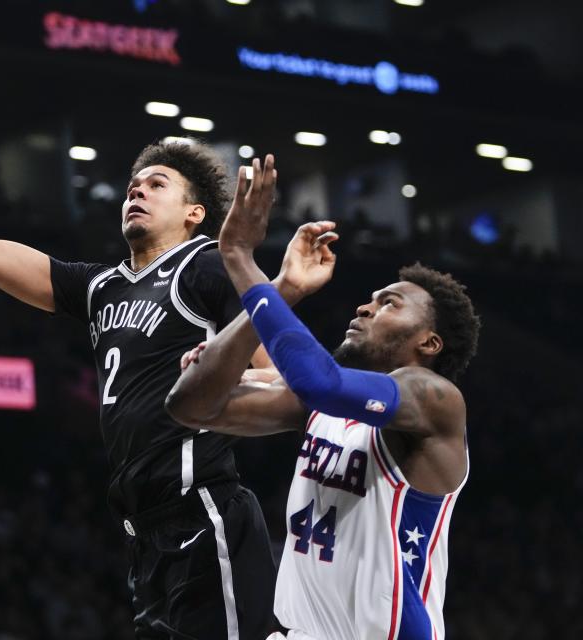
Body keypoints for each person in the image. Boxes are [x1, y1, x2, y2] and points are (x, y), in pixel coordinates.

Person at [0, 51, 278, 638]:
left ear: (195, 213)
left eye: (156, 185)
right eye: (132, 186)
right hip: (143, 533)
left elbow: (282, 374)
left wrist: (227, 376)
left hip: (206, 511)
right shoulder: (99, 287)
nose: (136, 192)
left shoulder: (209, 267)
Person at [166, 155, 480, 640]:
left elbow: (322, 382)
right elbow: (189, 407)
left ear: (429, 343)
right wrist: (277, 296)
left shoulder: (435, 399)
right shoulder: (319, 407)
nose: (364, 306)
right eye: (371, 298)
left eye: (388, 303)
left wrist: (241, 261)